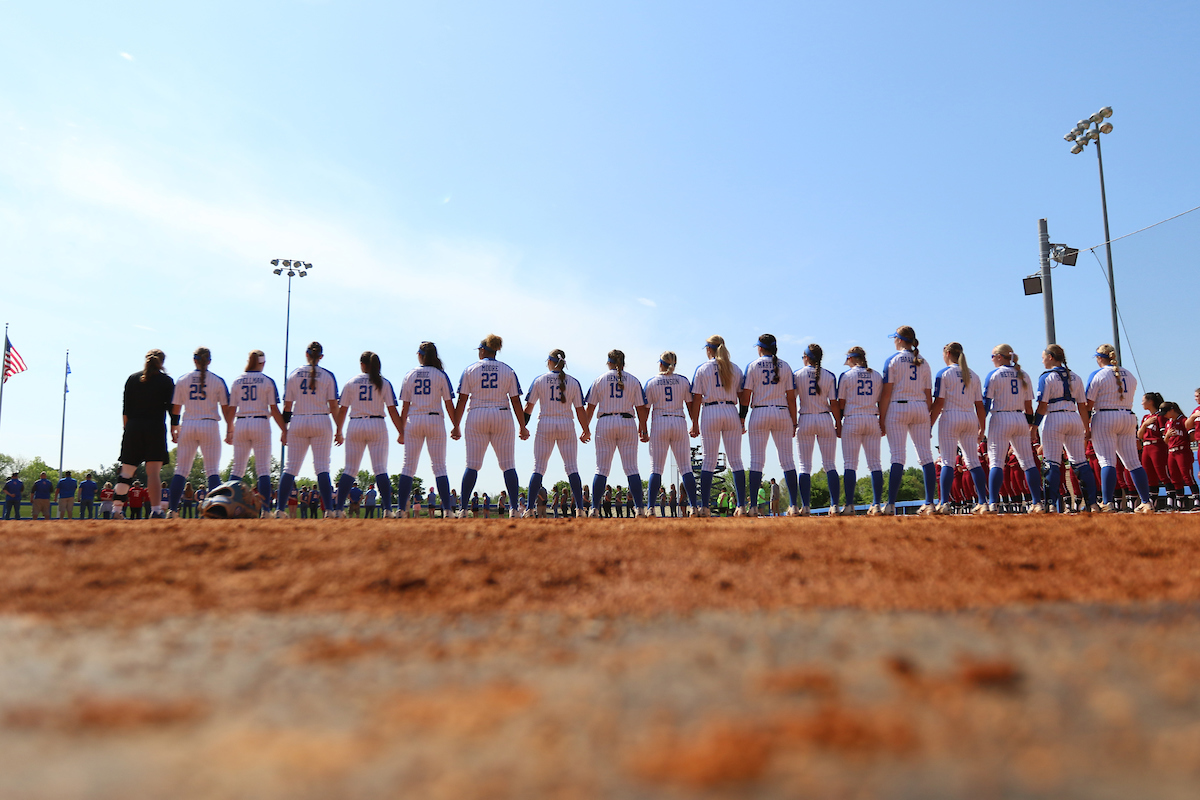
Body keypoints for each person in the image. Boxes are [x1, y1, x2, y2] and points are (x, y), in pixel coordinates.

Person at [452, 335, 528, 518]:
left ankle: (462, 509)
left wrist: (456, 425)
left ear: (484, 349)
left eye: (479, 349)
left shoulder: (470, 369)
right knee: (508, 465)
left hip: (477, 413)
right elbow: (516, 401)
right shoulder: (507, 370)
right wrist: (523, 426)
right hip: (502, 414)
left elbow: (462, 399)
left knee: (471, 465)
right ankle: (514, 510)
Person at [278, 342, 344, 519]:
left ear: (306, 354)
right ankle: (329, 511)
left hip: (298, 420)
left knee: (290, 467)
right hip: (322, 420)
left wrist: (284, 430)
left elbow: (287, 407)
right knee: (322, 467)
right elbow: (334, 406)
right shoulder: (328, 376)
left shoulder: (294, 374)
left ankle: (279, 510)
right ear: (321, 357)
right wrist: (339, 429)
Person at [1085, 344, 1154, 513]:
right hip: (1128, 416)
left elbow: (1088, 404)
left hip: (1105, 416)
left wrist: (1085, 426)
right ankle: (1146, 501)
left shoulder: (1098, 374)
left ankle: (1107, 502)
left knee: (1107, 461)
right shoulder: (1129, 374)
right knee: (1133, 462)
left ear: (1100, 358)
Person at [333, 351, 402, 519]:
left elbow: (342, 410)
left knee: (350, 469)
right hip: (377, 424)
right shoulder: (384, 383)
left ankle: (338, 509)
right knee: (380, 469)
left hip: (355, 423)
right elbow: (392, 410)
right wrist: (402, 431)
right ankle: (387, 510)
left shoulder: (351, 382)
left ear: (362, 364)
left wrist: (338, 431)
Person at [523, 349, 589, 519]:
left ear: (550, 361)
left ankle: (530, 509)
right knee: (572, 467)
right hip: (567, 423)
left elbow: (528, 408)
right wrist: (586, 429)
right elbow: (580, 409)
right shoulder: (573, 382)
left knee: (538, 467)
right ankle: (580, 510)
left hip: (545, 423)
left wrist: (523, 426)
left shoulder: (540, 380)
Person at [980, 344, 1045, 514]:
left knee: (996, 462)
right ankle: (1037, 502)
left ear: (1000, 357)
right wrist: (1031, 427)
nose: (992, 359)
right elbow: (1029, 407)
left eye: (993, 356)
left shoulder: (994, 374)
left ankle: (993, 503)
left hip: (1000, 417)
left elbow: (986, 404)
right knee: (1028, 462)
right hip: (1020, 418)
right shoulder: (1023, 375)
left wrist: (980, 425)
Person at [878, 326, 937, 515]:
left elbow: (886, 394)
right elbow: (929, 396)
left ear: (900, 339)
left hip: (898, 406)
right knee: (926, 456)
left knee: (897, 457)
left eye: (895, 338)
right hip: (920, 407)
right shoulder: (924, 362)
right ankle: (929, 503)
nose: (894, 341)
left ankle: (891, 504)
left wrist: (882, 417)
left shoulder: (893, 360)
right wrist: (927, 417)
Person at [1033, 345, 1098, 514]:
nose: (1042, 360)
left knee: (1051, 462)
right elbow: (1083, 407)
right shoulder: (1075, 376)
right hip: (1074, 417)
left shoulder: (1046, 377)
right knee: (1080, 462)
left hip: (1054, 417)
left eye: (1044, 357)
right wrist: (1086, 427)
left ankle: (1051, 505)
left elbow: (1042, 406)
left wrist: (1034, 426)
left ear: (1051, 357)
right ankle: (1093, 504)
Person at [168, 347, 231, 518]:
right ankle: (216, 511)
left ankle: (172, 510)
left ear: (194, 359)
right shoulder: (217, 381)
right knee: (212, 470)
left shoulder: (183, 379)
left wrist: (173, 427)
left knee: (181, 470)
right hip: (209, 425)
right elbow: (226, 408)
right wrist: (230, 427)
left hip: (188, 424)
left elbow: (176, 408)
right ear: (209, 361)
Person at [395, 342, 457, 519]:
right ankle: (447, 510)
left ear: (420, 355)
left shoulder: (410, 374)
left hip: (413, 420)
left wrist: (401, 430)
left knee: (408, 466)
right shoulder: (440, 375)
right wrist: (456, 425)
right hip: (435, 419)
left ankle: (400, 509)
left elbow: (404, 407)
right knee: (439, 467)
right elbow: (449, 403)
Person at [585, 350, 649, 518]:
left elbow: (590, 407)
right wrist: (643, 428)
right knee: (632, 468)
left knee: (601, 469)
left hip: (605, 422)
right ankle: (640, 510)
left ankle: (594, 509)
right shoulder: (634, 380)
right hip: (627, 422)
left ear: (609, 362)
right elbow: (641, 408)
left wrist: (585, 428)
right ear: (623, 363)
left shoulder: (600, 379)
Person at [111, 350, 174, 520]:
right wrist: (175, 426)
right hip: (154, 428)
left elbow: (126, 409)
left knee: (126, 472)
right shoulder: (166, 381)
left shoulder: (132, 379)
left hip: (133, 427)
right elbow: (171, 408)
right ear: (162, 362)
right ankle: (155, 510)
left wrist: (128, 430)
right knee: (153, 472)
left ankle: (116, 511)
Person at [690, 335, 746, 516]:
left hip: (711, 411)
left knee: (708, 460)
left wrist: (694, 422)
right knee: (736, 460)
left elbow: (697, 398)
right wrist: (742, 418)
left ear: (709, 349)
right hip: (731, 410)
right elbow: (743, 396)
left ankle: (705, 507)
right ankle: (742, 506)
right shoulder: (735, 368)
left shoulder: (703, 369)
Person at [930, 342, 989, 515]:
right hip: (970, 417)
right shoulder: (973, 375)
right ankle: (983, 502)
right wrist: (982, 428)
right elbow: (980, 405)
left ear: (947, 353)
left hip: (950, 415)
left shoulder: (944, 373)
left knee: (947, 461)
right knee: (973, 461)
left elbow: (939, 402)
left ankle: (945, 503)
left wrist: (929, 424)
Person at [225, 350, 286, 509]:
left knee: (237, 468)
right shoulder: (267, 381)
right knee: (263, 469)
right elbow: (274, 409)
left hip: (241, 422)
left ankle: (230, 506)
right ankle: (265, 510)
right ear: (262, 363)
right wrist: (284, 430)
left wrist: (229, 429)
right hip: (260, 423)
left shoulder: (237, 381)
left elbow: (231, 409)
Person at [644, 351, 701, 518]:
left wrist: (643, 428)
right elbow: (691, 405)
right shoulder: (683, 381)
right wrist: (695, 423)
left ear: (660, 363)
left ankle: (650, 509)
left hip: (660, 421)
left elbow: (645, 409)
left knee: (656, 469)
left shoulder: (652, 382)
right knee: (686, 468)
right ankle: (693, 508)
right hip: (678, 420)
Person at [837, 347, 885, 514]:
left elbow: (841, 403)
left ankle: (849, 505)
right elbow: (881, 401)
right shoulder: (876, 375)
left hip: (852, 418)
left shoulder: (847, 376)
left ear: (850, 359)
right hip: (872, 418)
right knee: (875, 464)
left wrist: (839, 420)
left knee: (850, 464)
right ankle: (877, 504)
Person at [792, 343, 836, 516]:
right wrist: (838, 423)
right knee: (830, 464)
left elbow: (791, 399)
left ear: (807, 357)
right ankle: (834, 506)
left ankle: (806, 506)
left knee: (804, 466)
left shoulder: (797, 374)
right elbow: (834, 403)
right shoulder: (829, 375)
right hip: (825, 417)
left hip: (805, 418)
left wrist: (793, 422)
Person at [1162, 402, 1198, 510]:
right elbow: (1165, 441)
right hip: (1171, 452)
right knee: (1175, 478)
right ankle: (1180, 502)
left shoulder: (1184, 420)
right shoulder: (1168, 423)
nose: (1164, 415)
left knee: (1187, 476)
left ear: (1172, 410)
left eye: (1165, 412)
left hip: (1182, 451)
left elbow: (1192, 437)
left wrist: (1182, 438)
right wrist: (1167, 435)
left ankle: (1197, 501)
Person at [1137, 392, 1170, 508]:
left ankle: (1171, 502)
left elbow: (1164, 434)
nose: (1141, 403)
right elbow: (1139, 435)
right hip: (1146, 447)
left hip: (1157, 446)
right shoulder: (1146, 418)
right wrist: (1145, 424)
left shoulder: (1160, 416)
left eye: (1143, 400)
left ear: (1150, 402)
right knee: (1149, 476)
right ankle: (1152, 504)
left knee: (1162, 474)